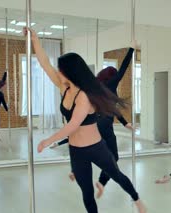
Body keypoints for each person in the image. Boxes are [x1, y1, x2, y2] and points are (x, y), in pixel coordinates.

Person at [25, 27, 146, 213]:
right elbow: (44, 64)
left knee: (117, 175)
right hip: (77, 152)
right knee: (87, 193)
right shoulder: (64, 87)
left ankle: (136, 198)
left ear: (71, 71)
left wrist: (47, 140)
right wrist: (35, 40)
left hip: (96, 147)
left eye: (61, 70)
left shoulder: (85, 97)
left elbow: (73, 125)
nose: (58, 73)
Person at [50, 45, 136, 197]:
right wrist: (131, 50)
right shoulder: (112, 83)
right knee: (113, 157)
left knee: (83, 146)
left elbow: (108, 107)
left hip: (94, 124)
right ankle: (101, 182)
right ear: (112, 76)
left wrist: (124, 123)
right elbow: (123, 68)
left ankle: (76, 171)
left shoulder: (94, 85)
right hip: (105, 125)